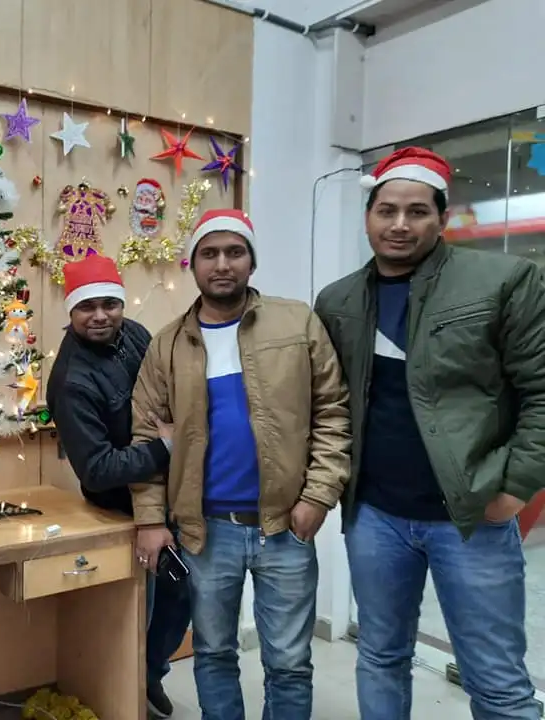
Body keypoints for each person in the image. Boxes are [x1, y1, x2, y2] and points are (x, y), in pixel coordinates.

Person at [315, 146, 545, 720]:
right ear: (367, 216)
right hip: (374, 516)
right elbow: (329, 405)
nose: (400, 224)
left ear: (442, 217)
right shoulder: (338, 300)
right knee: (380, 656)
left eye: (417, 211)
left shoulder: (503, 280)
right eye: (386, 210)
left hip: (471, 517)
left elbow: (541, 391)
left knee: (496, 682)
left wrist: (514, 487)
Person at [132, 209, 352, 720]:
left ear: (252, 261)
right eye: (209, 253)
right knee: (212, 653)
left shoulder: (297, 322)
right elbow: (145, 436)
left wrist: (319, 495)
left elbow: (333, 411)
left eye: (235, 252)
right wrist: (149, 518)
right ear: (193, 264)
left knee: (289, 662)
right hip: (206, 531)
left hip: (285, 526)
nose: (222, 264)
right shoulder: (167, 344)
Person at [45, 254, 191, 719]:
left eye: (110, 304)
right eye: (87, 307)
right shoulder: (71, 381)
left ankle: (149, 674)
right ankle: (128, 689)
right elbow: (98, 468)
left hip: (170, 496)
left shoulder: (135, 335)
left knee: (180, 597)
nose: (100, 316)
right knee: (138, 613)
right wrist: (165, 447)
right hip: (120, 509)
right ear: (71, 311)